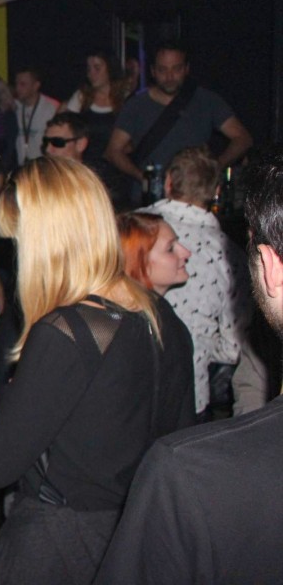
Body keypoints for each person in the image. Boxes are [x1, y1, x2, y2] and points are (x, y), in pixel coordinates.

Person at [0, 157, 195, 584]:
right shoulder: (158, 313)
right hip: (134, 530)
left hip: (60, 542)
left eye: (19, 240)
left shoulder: (68, 331)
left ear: (42, 241)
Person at [95, 148, 283, 583]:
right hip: (178, 415)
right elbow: (233, 345)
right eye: (171, 248)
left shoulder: (126, 232)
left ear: (167, 182)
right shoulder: (223, 250)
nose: (185, 253)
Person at [137, 147, 253, 420]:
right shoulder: (228, 253)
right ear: (216, 191)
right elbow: (234, 346)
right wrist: (202, 344)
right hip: (189, 391)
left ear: (168, 182)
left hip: (129, 384)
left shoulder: (132, 228)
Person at [105, 42, 252, 204]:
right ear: (153, 71)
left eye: (176, 69)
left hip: (195, 198)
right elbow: (113, 151)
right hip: (150, 199)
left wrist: (215, 166)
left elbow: (242, 138)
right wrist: (142, 176)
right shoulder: (136, 105)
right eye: (163, 70)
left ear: (186, 69)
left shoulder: (207, 101)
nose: (169, 77)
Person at [65, 50, 127, 203]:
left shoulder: (126, 99)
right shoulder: (81, 97)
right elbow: (65, 130)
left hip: (119, 175)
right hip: (86, 173)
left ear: (110, 69)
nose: (91, 73)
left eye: (97, 68)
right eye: (89, 69)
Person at [12, 67, 61, 165]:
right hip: (22, 166)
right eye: (16, 84)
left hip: (44, 165)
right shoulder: (14, 106)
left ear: (36, 86)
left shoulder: (52, 107)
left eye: (23, 84)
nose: (18, 88)